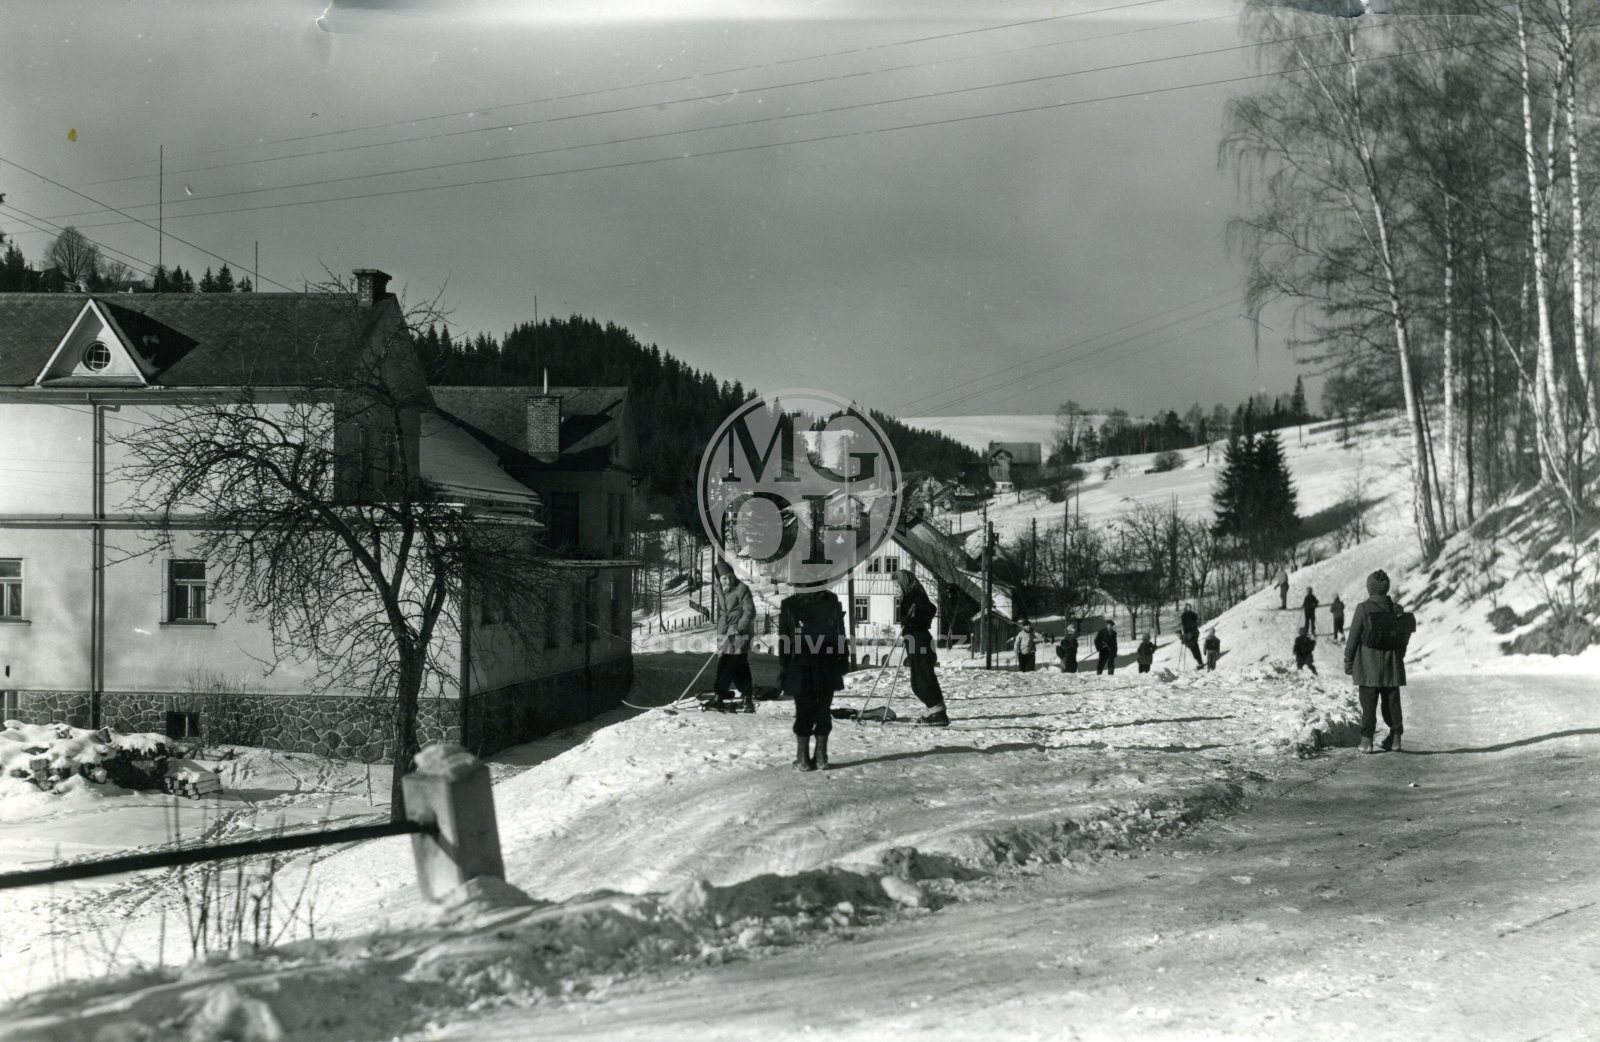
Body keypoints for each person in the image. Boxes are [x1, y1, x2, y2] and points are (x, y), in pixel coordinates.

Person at [778, 587, 849, 770]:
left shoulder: (789, 604)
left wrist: (784, 666)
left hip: (800, 664)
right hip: (828, 662)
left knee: (803, 709)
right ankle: (821, 757)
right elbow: (840, 633)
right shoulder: (831, 600)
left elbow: (784, 638)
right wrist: (843, 659)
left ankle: (802, 759)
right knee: (823, 708)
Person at [1344, 569, 1414, 754]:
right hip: (1392, 665)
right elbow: (1403, 637)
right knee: (1392, 703)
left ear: (1370, 588)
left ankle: (1367, 742)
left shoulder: (1363, 608)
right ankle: (1395, 739)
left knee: (1368, 704)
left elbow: (1353, 637)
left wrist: (1349, 660)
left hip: (1368, 666)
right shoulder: (1397, 609)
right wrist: (1399, 655)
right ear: (1386, 588)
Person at [893, 570, 950, 726]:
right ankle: (936, 711)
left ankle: (938, 714)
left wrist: (913, 622)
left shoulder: (915, 594)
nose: (896, 590)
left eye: (897, 586)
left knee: (922, 678)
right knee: (920, 678)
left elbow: (930, 609)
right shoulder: (910, 595)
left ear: (904, 583)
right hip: (914, 639)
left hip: (919, 640)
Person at [712, 558, 757, 713]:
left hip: (739, 631)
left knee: (737, 661)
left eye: (730, 576)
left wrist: (739, 628)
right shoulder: (718, 588)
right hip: (725, 630)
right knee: (724, 660)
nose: (728, 580)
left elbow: (750, 612)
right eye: (724, 578)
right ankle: (720, 694)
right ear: (719, 579)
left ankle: (746, 696)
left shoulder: (741, 588)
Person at [1178, 603, 1205, 669]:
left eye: (1190, 607)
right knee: (1194, 647)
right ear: (1186, 608)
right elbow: (1184, 625)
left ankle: (1199, 662)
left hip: (1193, 633)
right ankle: (1199, 662)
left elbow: (1195, 624)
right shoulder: (1183, 616)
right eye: (1188, 607)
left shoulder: (1193, 615)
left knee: (1195, 647)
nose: (1189, 608)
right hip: (1188, 633)